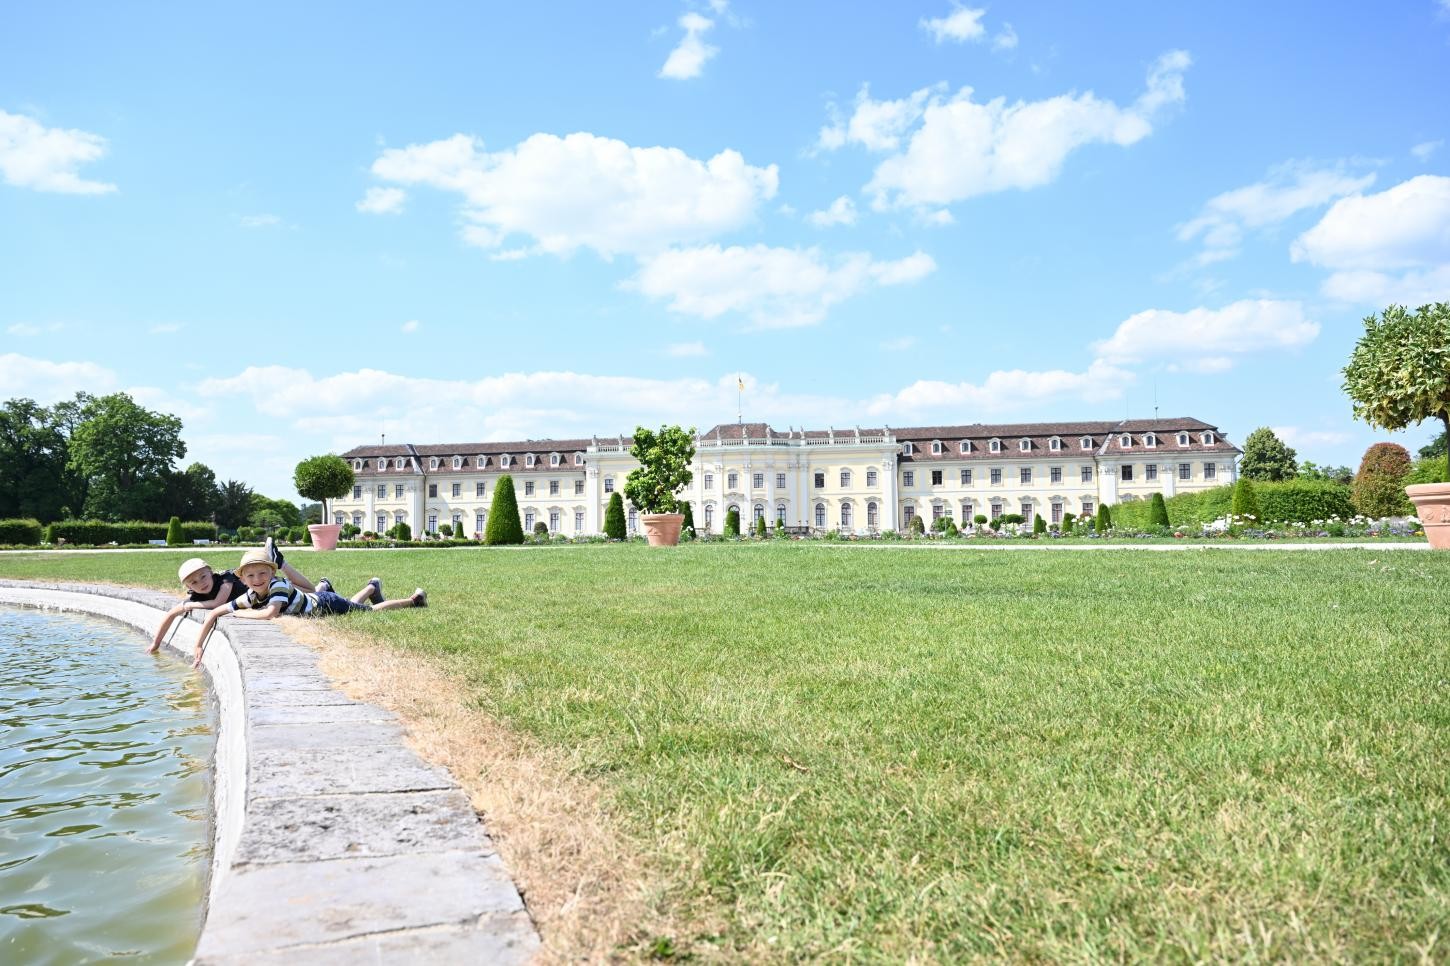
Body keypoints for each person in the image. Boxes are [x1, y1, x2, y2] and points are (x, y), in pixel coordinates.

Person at [191, 548, 426, 668]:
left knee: (368, 612)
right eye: (250, 576)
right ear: (243, 580)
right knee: (353, 606)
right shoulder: (251, 594)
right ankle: (372, 588)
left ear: (272, 572)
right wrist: (199, 645)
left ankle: (414, 600)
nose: (257, 579)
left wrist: (240, 613)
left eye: (262, 573)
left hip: (326, 603)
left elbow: (270, 613)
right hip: (319, 600)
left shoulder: (277, 585)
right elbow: (215, 612)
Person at [148, 537, 330, 654]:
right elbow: (171, 614)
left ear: (210, 572)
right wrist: (155, 644)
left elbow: (217, 603)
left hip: (264, 585)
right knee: (310, 591)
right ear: (188, 587)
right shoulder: (197, 595)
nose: (201, 584)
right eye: (194, 583)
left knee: (310, 591)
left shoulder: (225, 580)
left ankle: (281, 564)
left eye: (203, 577)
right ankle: (322, 586)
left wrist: (188, 605)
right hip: (259, 591)